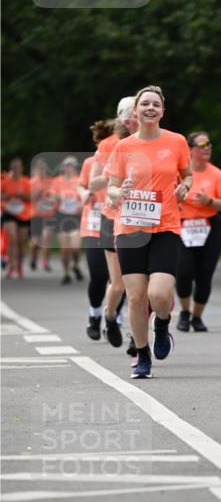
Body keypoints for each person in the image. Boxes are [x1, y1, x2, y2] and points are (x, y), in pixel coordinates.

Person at [106, 85, 191, 380]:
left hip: (165, 226)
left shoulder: (176, 141)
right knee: (136, 297)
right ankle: (142, 354)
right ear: (136, 111)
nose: (150, 108)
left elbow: (187, 174)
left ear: (162, 111)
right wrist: (120, 191)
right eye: (145, 104)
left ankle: (162, 324)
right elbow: (111, 188)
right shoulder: (123, 147)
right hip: (130, 229)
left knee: (159, 293)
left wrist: (185, 186)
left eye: (156, 104)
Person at [89, 96, 136, 347]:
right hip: (112, 215)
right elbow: (93, 182)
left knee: (142, 284)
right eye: (130, 116)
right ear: (122, 119)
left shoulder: (157, 142)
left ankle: (137, 338)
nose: (134, 120)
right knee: (118, 283)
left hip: (143, 219)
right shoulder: (110, 145)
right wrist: (115, 179)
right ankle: (109, 317)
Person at [176, 131, 221, 332]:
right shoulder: (180, 173)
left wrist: (209, 201)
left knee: (204, 274)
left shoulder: (216, 174)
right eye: (201, 144)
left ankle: (197, 317)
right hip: (183, 226)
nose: (207, 148)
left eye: (209, 144)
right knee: (184, 271)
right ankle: (184, 312)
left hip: (210, 227)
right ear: (190, 149)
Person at [79, 120, 114, 339]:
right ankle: (95, 314)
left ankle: (114, 318)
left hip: (115, 223)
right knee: (99, 275)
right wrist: (83, 193)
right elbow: (82, 184)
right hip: (93, 224)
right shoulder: (90, 163)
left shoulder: (128, 160)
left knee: (118, 278)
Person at [51, 156, 84, 284]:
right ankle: (66, 273)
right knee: (65, 248)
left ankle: (75, 265)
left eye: (72, 166)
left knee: (75, 247)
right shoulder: (57, 181)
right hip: (61, 216)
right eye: (67, 166)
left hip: (76, 216)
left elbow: (85, 196)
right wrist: (56, 198)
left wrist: (81, 204)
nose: (69, 168)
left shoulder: (80, 180)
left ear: (75, 168)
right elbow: (51, 197)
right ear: (63, 168)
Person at [1, 158, 31, 278]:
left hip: (23, 214)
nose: (16, 170)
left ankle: (19, 266)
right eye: (14, 168)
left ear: (22, 169)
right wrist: (6, 196)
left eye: (18, 167)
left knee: (20, 243)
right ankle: (11, 266)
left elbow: (32, 198)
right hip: (9, 212)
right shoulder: (5, 182)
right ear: (11, 168)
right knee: (12, 239)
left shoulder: (26, 182)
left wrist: (23, 195)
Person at [29, 156, 57, 271]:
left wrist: (53, 198)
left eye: (44, 168)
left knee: (47, 238)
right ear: (36, 169)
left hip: (49, 214)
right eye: (40, 168)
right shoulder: (32, 182)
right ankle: (34, 257)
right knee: (35, 242)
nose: (42, 171)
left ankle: (45, 262)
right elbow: (29, 198)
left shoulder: (50, 182)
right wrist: (38, 192)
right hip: (36, 215)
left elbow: (55, 197)